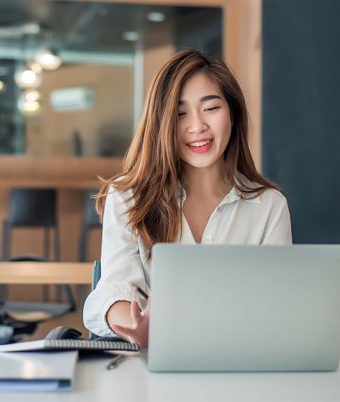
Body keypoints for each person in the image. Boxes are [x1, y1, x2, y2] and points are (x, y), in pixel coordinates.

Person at [83, 50, 292, 347]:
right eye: (180, 114)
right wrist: (139, 326)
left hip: (241, 365)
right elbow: (116, 290)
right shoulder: (129, 198)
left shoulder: (269, 206)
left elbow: (278, 304)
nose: (197, 126)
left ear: (232, 113)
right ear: (161, 123)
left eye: (211, 108)